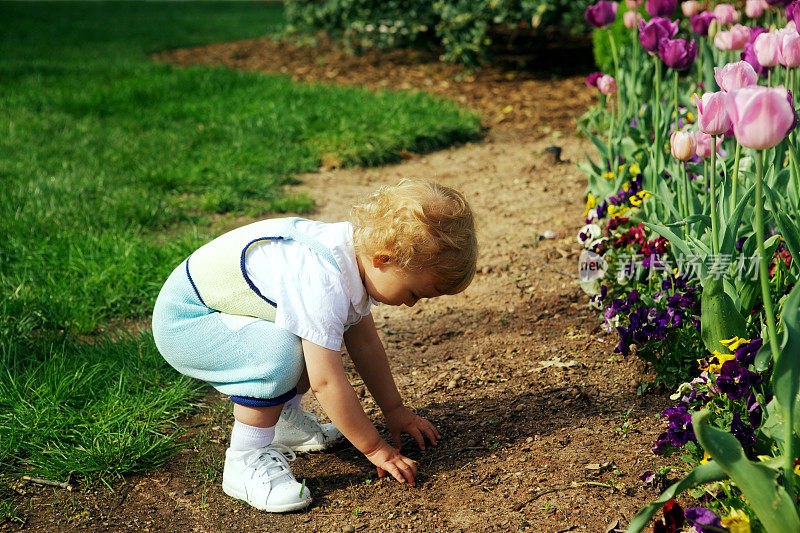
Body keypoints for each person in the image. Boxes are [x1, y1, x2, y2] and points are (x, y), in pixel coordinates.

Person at [151, 178, 477, 512]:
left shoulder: (354, 261)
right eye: (414, 294)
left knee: (309, 337)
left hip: (221, 314)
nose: (412, 304)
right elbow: (325, 381)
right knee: (282, 352)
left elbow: (365, 346)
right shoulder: (323, 278)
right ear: (383, 259)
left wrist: (394, 409)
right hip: (188, 324)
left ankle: (283, 421)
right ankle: (245, 459)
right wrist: (375, 448)